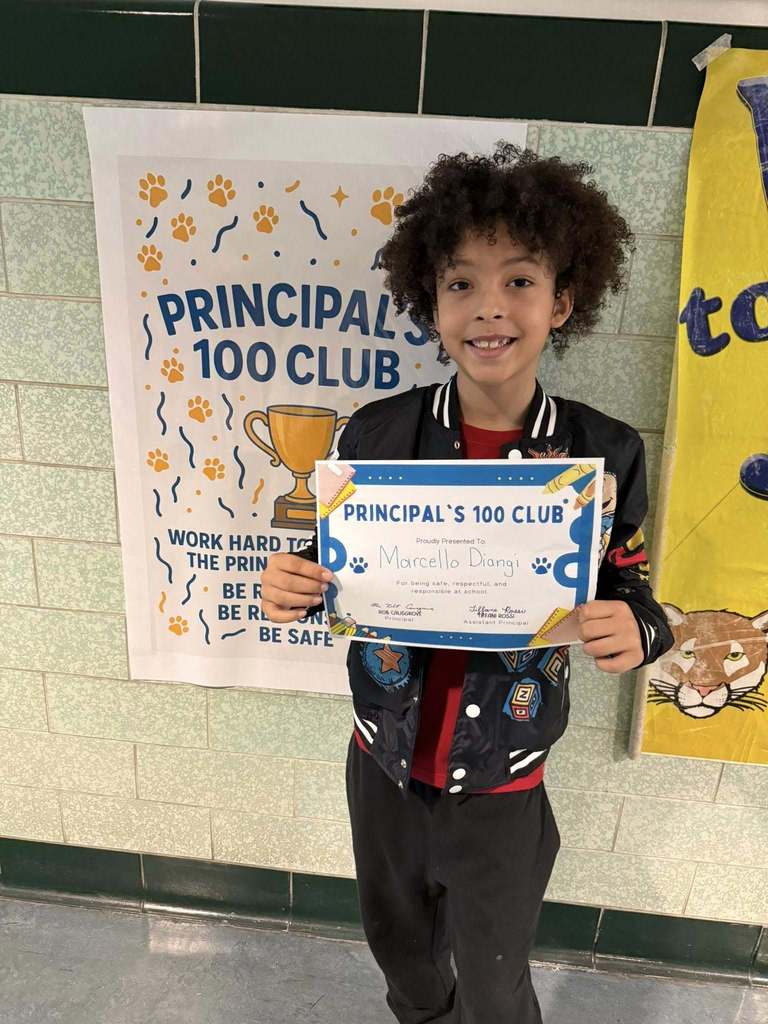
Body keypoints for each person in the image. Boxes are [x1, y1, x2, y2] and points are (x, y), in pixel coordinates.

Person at [260, 142, 674, 1024]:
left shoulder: (604, 453)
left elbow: (637, 597)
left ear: (562, 301)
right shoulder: (374, 436)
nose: (489, 307)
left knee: (494, 981)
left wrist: (638, 630)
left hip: (504, 782)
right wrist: (290, 586)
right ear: (432, 302)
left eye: (519, 281)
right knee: (403, 961)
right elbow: (328, 571)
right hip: (383, 763)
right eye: (461, 283)